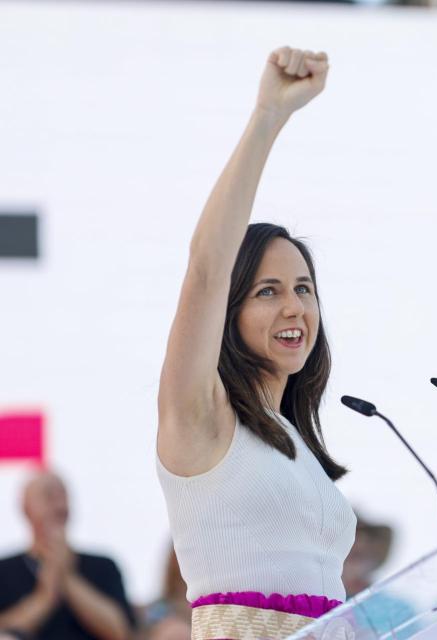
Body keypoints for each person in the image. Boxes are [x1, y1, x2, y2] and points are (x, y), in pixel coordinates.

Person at [155, 45, 356, 639]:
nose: (295, 305)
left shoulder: (294, 442)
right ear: (229, 309)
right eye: (268, 291)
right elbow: (206, 268)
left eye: (303, 288)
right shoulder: (200, 416)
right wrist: (270, 115)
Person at [0, 472, 135, 640]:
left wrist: (67, 577)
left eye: (63, 494)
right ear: (25, 508)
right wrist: (45, 597)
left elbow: (121, 631)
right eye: (48, 495)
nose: (58, 504)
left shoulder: (103, 566)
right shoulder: (4, 571)